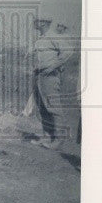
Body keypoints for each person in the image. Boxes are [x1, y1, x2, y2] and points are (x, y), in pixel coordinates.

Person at [27, 17, 70, 150]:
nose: (35, 23)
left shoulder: (54, 36)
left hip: (50, 75)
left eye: (37, 21)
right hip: (39, 75)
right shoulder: (41, 38)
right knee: (42, 107)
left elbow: (68, 52)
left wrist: (54, 66)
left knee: (53, 107)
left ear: (44, 23)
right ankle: (47, 136)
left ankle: (59, 139)